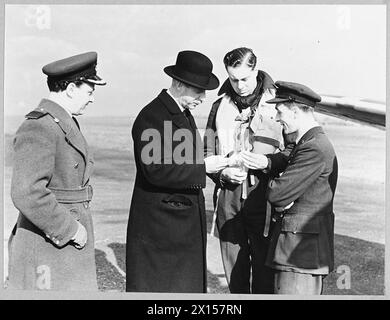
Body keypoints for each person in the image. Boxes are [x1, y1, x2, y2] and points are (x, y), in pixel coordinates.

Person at [8, 52, 106, 291]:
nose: (92, 99)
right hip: (49, 243)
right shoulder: (39, 126)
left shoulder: (62, 121)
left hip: (59, 245)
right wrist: (70, 229)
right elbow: (26, 191)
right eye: (89, 91)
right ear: (71, 88)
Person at [126, 50, 220, 293]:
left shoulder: (181, 113)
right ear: (178, 84)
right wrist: (204, 168)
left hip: (176, 227)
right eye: (198, 90)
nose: (203, 97)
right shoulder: (152, 116)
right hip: (162, 231)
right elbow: (154, 170)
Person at [241, 81, 338, 294]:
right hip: (299, 253)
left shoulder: (313, 148)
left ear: (294, 111)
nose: (277, 118)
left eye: (280, 111)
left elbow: (276, 194)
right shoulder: (307, 142)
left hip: (299, 255)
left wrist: (282, 186)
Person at [203, 47, 286, 293]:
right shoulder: (219, 107)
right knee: (235, 273)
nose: (239, 86)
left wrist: (268, 164)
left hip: (266, 194)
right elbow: (206, 151)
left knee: (265, 270)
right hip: (229, 196)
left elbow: (294, 151)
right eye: (233, 79)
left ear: (256, 70)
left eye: (244, 79)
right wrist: (221, 174)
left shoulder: (278, 103)